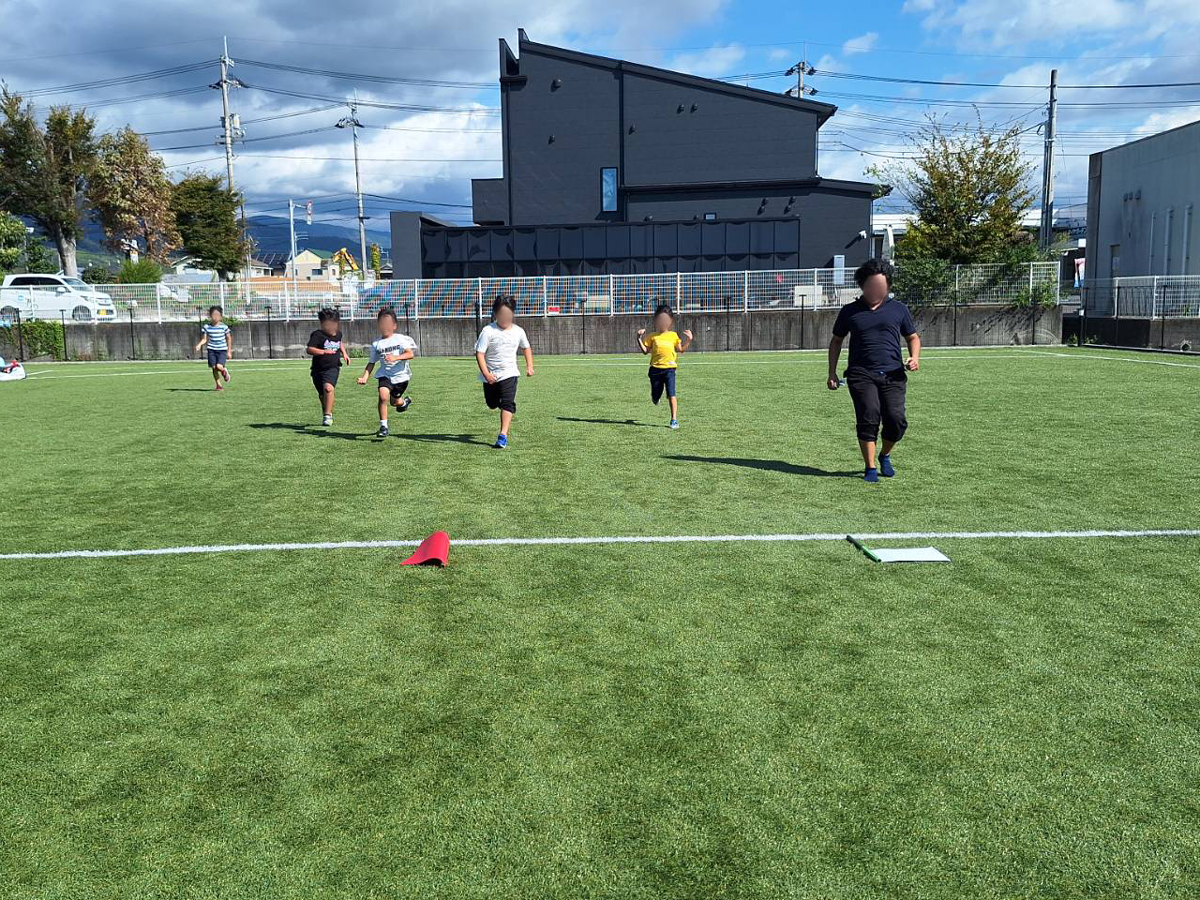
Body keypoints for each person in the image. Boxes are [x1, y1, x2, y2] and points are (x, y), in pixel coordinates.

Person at [827, 258, 920, 482]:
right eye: (870, 285)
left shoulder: (899, 309)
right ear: (863, 285)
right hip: (861, 374)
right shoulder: (850, 311)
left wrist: (914, 358)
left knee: (896, 420)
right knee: (868, 416)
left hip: (893, 374)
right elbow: (836, 341)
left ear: (888, 286)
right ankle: (869, 468)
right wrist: (832, 372)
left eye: (880, 285)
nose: (875, 290)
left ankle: (885, 455)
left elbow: (913, 337)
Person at [475, 295, 534, 449]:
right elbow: (479, 354)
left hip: (510, 373)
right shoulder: (488, 331)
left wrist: (529, 366)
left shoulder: (518, 331)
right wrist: (487, 374)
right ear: (495, 314)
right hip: (491, 375)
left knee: (508, 402)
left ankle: (503, 436)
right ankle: (499, 403)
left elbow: (526, 347)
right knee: (492, 404)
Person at [357, 307, 416, 437]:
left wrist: (396, 357)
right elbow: (371, 362)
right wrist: (365, 377)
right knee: (383, 396)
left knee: (395, 402)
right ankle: (384, 426)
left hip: (401, 377)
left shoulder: (400, 339)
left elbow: (410, 354)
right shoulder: (376, 344)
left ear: (394, 325)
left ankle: (404, 402)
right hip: (385, 375)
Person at [636, 303, 693, 429]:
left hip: (670, 370)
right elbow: (646, 351)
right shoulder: (652, 336)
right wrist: (639, 338)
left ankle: (674, 419)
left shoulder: (673, 335)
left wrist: (689, 340)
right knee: (656, 395)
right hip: (655, 370)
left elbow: (680, 349)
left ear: (671, 321)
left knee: (671, 394)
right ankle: (655, 397)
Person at [307, 308, 350, 426]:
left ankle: (327, 415)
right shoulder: (317, 335)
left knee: (328, 388)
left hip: (333, 368)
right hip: (317, 370)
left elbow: (340, 343)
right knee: (322, 395)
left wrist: (344, 353)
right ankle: (326, 410)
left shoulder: (339, 334)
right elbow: (310, 349)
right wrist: (324, 352)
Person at [194, 306, 232, 391]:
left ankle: (224, 371)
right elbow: (204, 339)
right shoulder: (207, 327)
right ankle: (218, 385)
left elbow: (229, 338)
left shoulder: (224, 327)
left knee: (219, 366)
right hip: (211, 349)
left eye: (217, 315)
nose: (215, 317)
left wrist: (229, 351)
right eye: (214, 315)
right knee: (214, 367)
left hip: (222, 349)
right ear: (210, 316)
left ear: (221, 316)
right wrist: (199, 345)